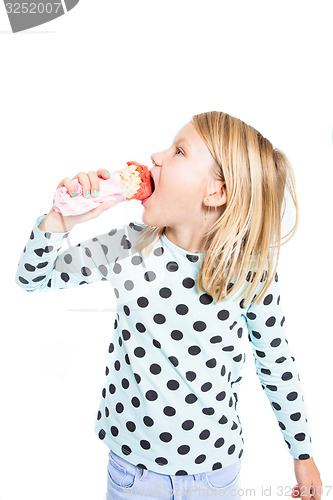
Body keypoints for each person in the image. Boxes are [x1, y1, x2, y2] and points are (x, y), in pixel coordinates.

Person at [15, 111, 322, 499]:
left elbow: (276, 362)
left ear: (216, 192)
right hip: (133, 473)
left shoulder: (251, 270)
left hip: (215, 475)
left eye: (178, 151)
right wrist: (61, 219)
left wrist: (303, 453)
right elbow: (33, 278)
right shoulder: (127, 246)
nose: (155, 157)